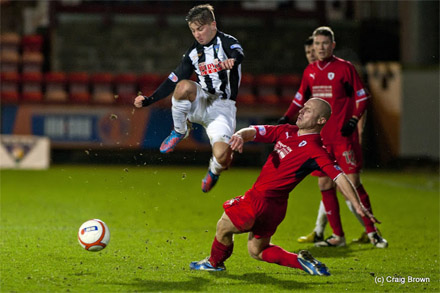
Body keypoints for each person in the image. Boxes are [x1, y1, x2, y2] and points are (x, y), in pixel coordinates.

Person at [190, 98, 378, 274]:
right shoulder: (287, 131)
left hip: (259, 200)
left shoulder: (316, 150)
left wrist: (358, 206)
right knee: (257, 250)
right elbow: (256, 131)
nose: (302, 111)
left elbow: (340, 177)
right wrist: (240, 135)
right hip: (276, 208)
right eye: (303, 107)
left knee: (223, 226)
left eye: (308, 110)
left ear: (321, 120)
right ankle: (302, 262)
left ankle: (214, 263)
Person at [278, 26, 387, 248]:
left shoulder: (345, 68)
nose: (320, 47)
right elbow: (299, 99)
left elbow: (363, 96)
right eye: (317, 44)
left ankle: (372, 232)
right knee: (324, 183)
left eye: (325, 43)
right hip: (321, 139)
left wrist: (354, 120)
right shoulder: (310, 71)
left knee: (353, 184)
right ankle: (338, 236)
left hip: (343, 137)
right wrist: (285, 118)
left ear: (332, 45)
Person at [134, 4, 244, 193]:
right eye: (193, 30)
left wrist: (232, 61)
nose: (197, 34)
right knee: (183, 86)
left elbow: (238, 52)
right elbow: (173, 79)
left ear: (213, 25)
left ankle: (214, 171)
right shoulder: (194, 53)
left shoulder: (226, 42)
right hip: (201, 100)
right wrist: (149, 99)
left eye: (200, 29)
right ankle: (179, 130)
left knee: (223, 157)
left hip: (222, 108)